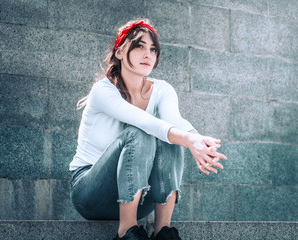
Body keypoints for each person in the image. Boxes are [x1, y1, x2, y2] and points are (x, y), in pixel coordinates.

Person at [69, 19, 227, 240]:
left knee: (170, 136)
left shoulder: (162, 89)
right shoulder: (102, 90)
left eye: (153, 49)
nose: (148, 54)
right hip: (90, 193)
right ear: (120, 51)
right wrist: (188, 141)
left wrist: (197, 139)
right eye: (139, 46)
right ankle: (126, 232)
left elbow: (175, 120)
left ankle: (163, 231)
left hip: (140, 199)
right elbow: (144, 122)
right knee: (141, 132)